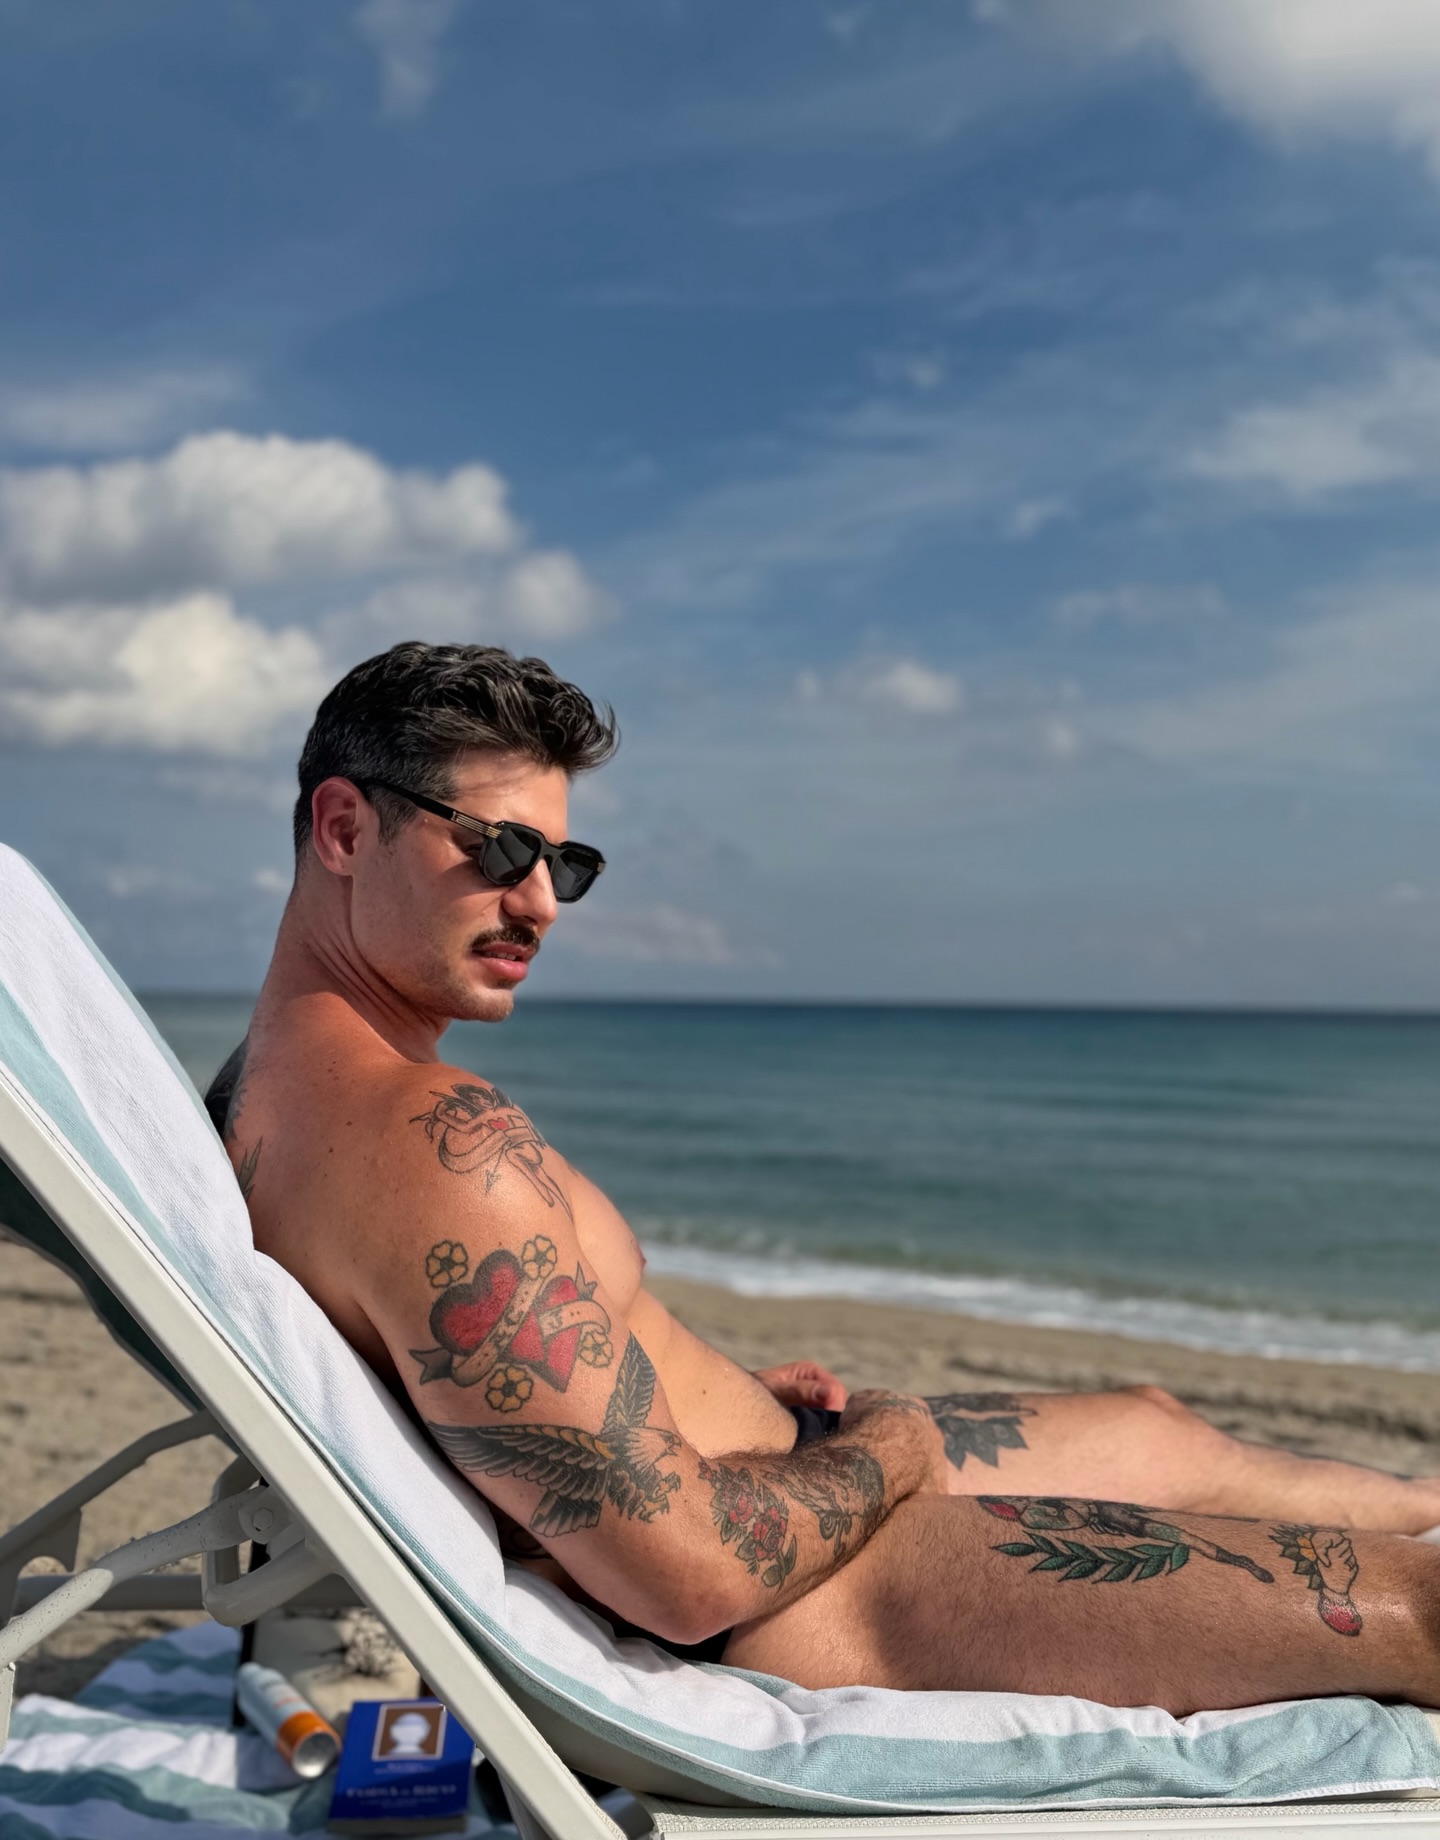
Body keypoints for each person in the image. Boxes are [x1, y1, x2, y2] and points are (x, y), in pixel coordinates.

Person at [207, 642, 1440, 1714]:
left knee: (1155, 1427)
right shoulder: (426, 1142)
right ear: (344, 829)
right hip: (823, 1588)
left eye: (565, 865)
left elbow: (498, 1389)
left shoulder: (263, 1099)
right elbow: (688, 1577)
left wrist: (720, 1401)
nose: (541, 902)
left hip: (781, 1476)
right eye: (502, 849)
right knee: (1417, 1608)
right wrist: (892, 1448)